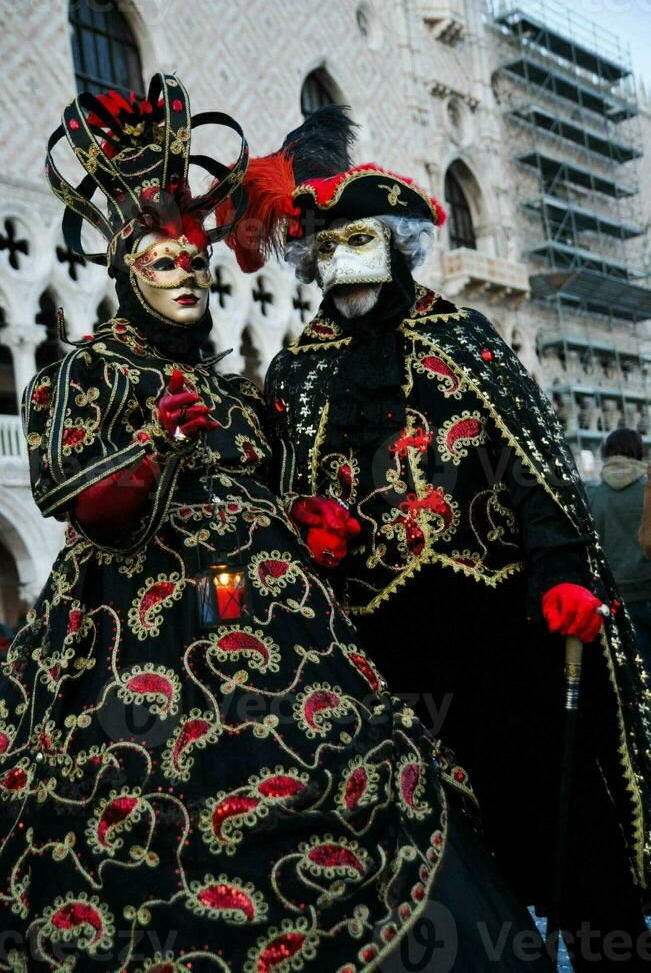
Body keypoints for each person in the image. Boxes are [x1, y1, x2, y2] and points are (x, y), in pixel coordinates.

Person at [0, 77, 553, 972]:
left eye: (194, 262)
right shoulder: (80, 374)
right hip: (136, 637)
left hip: (287, 627)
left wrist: (311, 514)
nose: (186, 277)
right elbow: (84, 502)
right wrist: (155, 448)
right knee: (147, 802)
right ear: (124, 273)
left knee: (359, 767)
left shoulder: (238, 391)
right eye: (162, 264)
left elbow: (275, 487)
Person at [219, 108, 651, 970]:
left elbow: (532, 469)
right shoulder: (299, 373)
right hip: (382, 656)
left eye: (361, 250)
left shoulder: (464, 342)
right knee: (428, 838)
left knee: (556, 823)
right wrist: (313, 527)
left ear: (392, 247)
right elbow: (283, 491)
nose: (347, 272)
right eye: (329, 256)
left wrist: (559, 569)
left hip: (501, 635)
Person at [590, 428, 651, 670]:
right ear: (639, 451)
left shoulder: (593, 496)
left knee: (634, 673)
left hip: (616, 597)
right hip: (648, 585)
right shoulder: (647, 491)